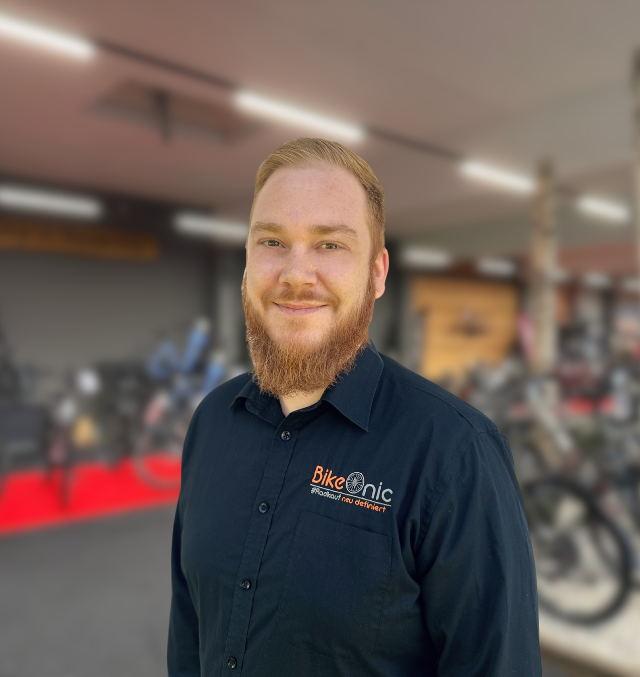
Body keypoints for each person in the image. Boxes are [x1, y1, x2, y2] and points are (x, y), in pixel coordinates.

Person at [167, 137, 541, 676]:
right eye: (272, 241)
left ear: (377, 273)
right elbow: (188, 630)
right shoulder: (212, 422)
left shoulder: (456, 453)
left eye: (330, 244)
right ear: (246, 264)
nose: (296, 273)